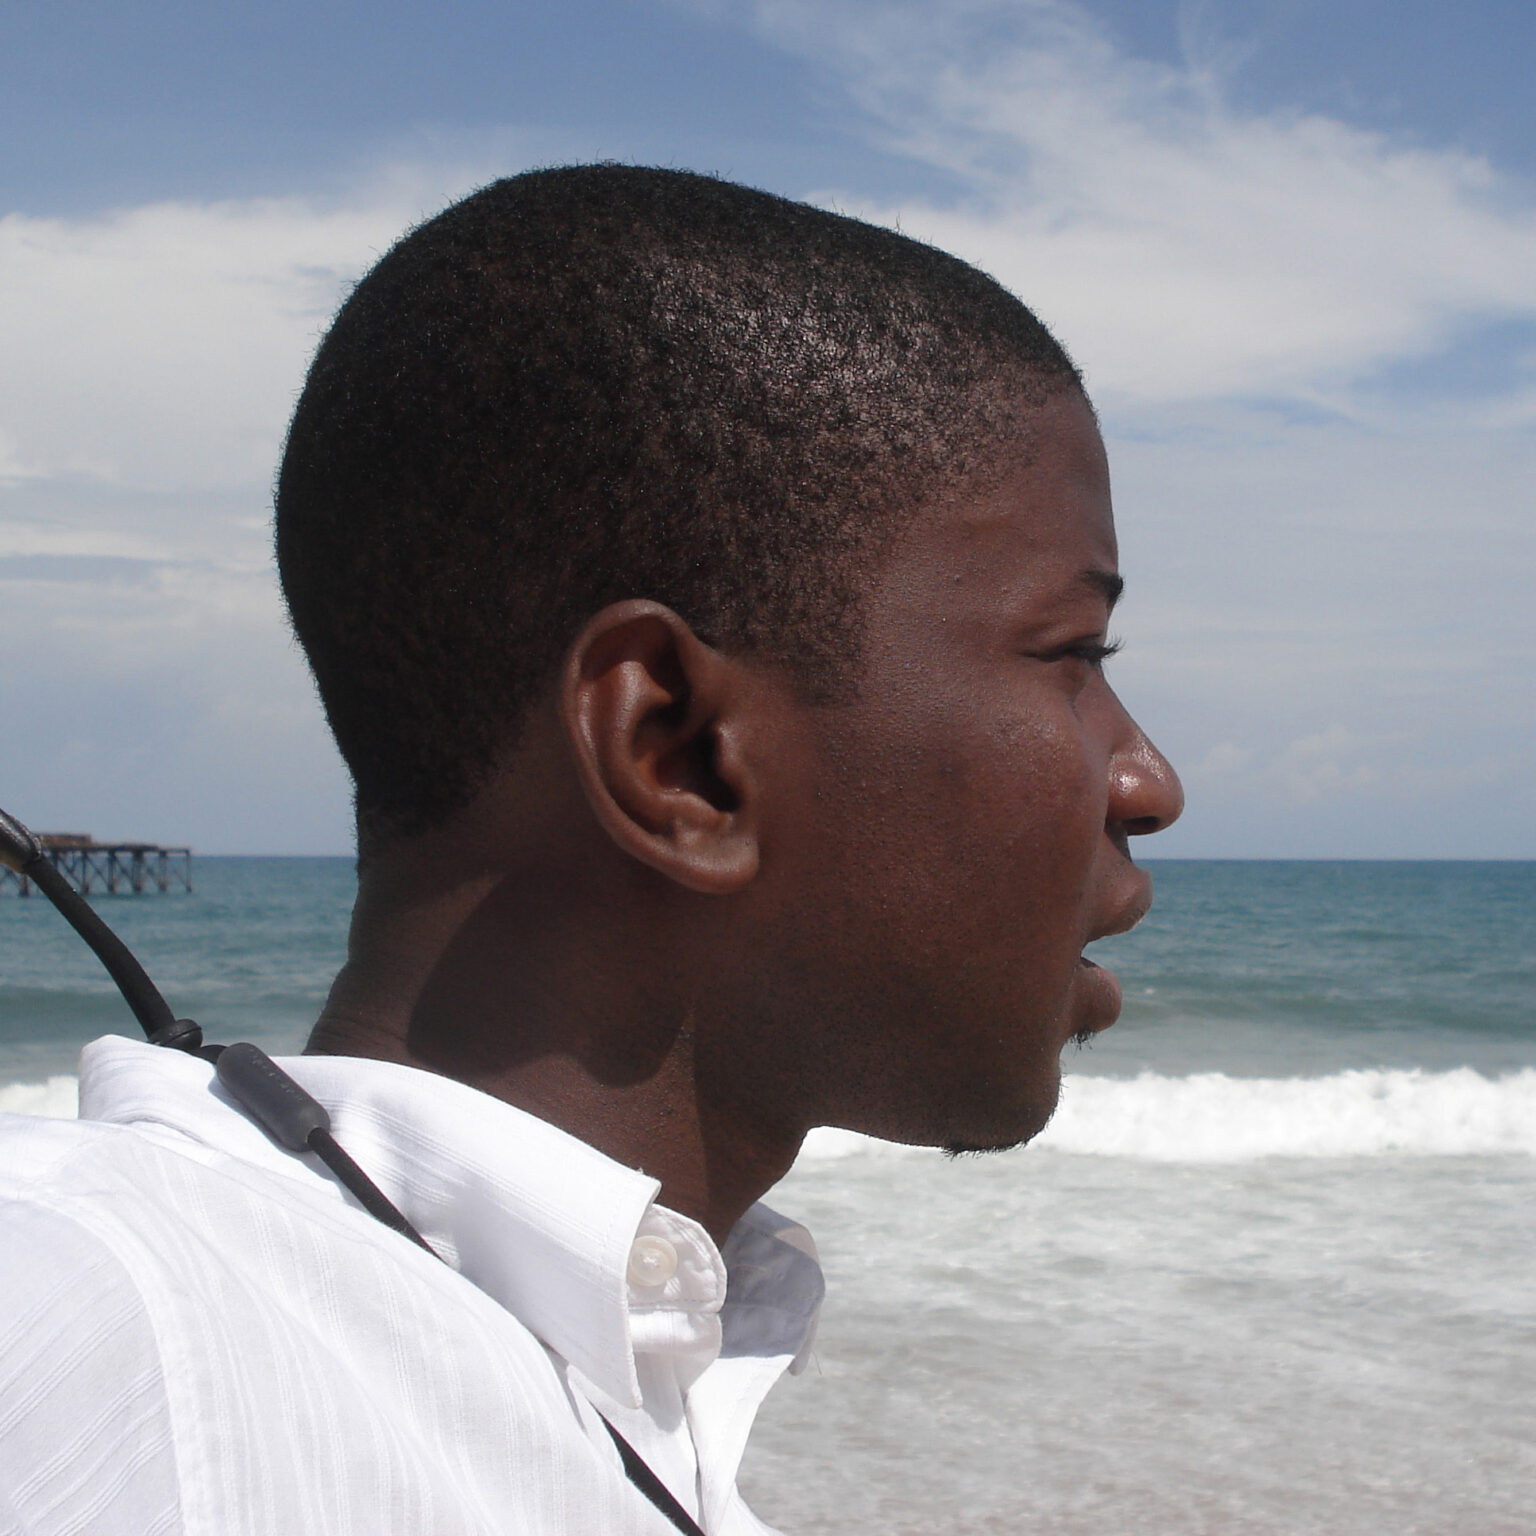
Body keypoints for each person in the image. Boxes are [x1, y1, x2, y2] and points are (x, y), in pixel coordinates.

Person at [0, 164, 1181, 1534]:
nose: (1147, 778)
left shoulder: (625, 1380)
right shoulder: (105, 1324)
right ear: (677, 754)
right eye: (1074, 656)